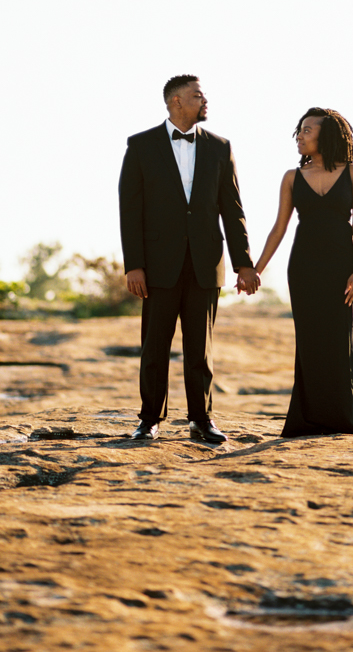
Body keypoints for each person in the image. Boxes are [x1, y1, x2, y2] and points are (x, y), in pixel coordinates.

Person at [119, 75, 260, 443]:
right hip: (156, 266)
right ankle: (149, 420)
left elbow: (233, 210)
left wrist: (243, 264)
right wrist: (133, 264)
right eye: (198, 95)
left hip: (204, 264)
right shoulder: (140, 145)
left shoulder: (220, 147)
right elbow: (129, 210)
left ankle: (202, 419)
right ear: (176, 102)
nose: (205, 100)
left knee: (200, 350)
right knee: (154, 349)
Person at [254, 107, 353, 438]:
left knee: (342, 338)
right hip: (304, 267)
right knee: (310, 341)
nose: (300, 135)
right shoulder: (291, 178)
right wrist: (256, 270)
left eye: (307, 131)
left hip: (341, 265)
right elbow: (279, 228)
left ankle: (347, 415)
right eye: (299, 130)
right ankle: (308, 418)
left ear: (326, 136)